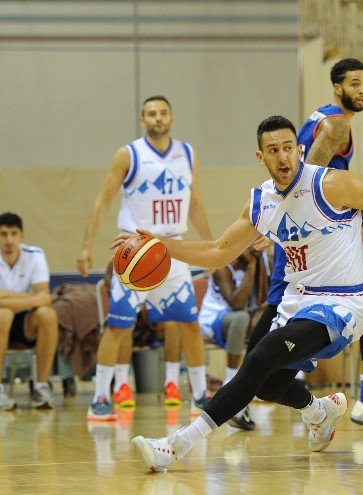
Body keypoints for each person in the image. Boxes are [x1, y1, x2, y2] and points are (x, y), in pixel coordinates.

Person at [130, 115, 363, 472]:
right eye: (273, 151)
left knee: (260, 357)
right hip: (298, 302)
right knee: (268, 386)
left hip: (345, 302)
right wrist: (161, 244)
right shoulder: (262, 203)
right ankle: (320, 412)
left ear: (299, 149)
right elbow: (217, 252)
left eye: (288, 148)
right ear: (261, 157)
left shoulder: (331, 184)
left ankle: (176, 445)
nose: (282, 157)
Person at [264, 58, 363, 428]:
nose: (362, 90)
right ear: (337, 88)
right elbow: (312, 175)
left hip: (292, 229)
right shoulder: (336, 125)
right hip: (316, 233)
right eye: (354, 83)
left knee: (277, 309)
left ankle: (247, 388)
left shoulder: (317, 117)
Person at [77, 95, 214, 421]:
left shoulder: (188, 152)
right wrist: (87, 245)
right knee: (118, 327)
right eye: (151, 113)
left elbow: (194, 203)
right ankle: (99, 399)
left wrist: (209, 245)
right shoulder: (128, 154)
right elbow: (102, 202)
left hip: (174, 249)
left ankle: (199, 396)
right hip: (135, 249)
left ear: (171, 117)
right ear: (143, 120)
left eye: (163, 112)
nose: (158, 118)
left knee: (189, 325)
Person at [197, 243, 271, 431]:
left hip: (236, 321)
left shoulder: (256, 266)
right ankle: (231, 380)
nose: (253, 252)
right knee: (240, 318)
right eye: (249, 249)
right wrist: (252, 267)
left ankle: (259, 381)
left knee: (268, 318)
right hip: (212, 321)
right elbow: (237, 303)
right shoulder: (222, 267)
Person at [0, 212, 58, 410]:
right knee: (4, 315)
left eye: (14, 234)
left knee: (47, 314)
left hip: (26, 323)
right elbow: (38, 297)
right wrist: (30, 299)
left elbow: (45, 297)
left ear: (21, 236)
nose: (9, 240)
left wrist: (6, 297)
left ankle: (41, 387)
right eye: (3, 234)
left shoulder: (35, 255)